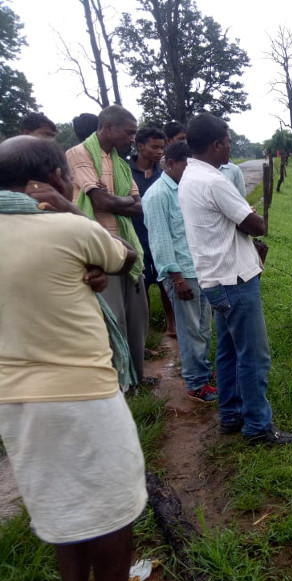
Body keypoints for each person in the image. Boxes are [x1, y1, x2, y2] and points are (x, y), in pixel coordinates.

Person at [0, 136, 146, 581]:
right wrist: (72, 211)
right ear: (52, 179)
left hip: (14, 401)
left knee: (63, 509)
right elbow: (125, 256)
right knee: (114, 511)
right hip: (84, 394)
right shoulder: (67, 228)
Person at [179, 112, 292, 446]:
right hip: (235, 280)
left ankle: (231, 415)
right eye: (229, 141)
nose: (231, 147)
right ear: (217, 144)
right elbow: (256, 225)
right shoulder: (214, 181)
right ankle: (257, 426)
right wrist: (252, 216)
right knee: (254, 356)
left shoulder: (189, 176)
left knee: (229, 351)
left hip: (213, 280)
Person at [66, 104, 151, 388]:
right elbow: (99, 202)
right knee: (113, 318)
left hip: (126, 246)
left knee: (137, 317)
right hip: (97, 248)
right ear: (108, 128)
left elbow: (138, 207)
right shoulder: (79, 154)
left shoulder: (121, 164)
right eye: (129, 132)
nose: (132, 139)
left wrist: (117, 201)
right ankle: (118, 384)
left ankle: (136, 378)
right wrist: (122, 201)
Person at [143, 141, 218, 403]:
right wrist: (176, 278)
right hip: (181, 275)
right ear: (171, 164)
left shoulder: (184, 189)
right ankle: (195, 383)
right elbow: (160, 241)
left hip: (199, 270)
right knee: (190, 331)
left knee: (203, 328)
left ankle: (203, 371)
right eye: (187, 167)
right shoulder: (158, 195)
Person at [128, 126, 177, 338]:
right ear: (140, 146)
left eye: (162, 147)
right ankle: (145, 330)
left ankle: (172, 324)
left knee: (166, 278)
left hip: (162, 234)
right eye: (155, 147)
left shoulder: (164, 172)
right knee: (142, 283)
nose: (160, 152)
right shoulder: (126, 170)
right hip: (136, 234)